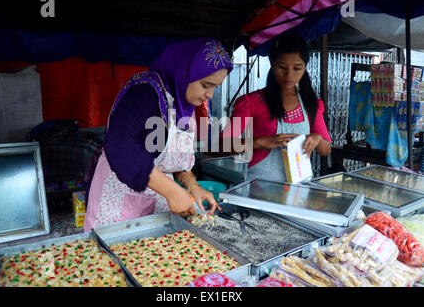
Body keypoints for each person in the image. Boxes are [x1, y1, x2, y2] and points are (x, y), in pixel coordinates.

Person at [84, 38, 233, 232]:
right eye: (206, 85)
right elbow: (119, 144)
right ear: (184, 72)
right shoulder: (144, 92)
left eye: (215, 87)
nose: (210, 95)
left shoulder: (184, 107)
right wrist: (171, 190)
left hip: (156, 207)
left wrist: (192, 186)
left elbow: (172, 159)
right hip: (119, 207)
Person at [221, 34, 331, 182]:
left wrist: (317, 139)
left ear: (305, 68)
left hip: (299, 189)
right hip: (258, 188)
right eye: (281, 67)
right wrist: (257, 142)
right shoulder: (251, 102)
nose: (289, 75)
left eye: (297, 68)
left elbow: (326, 150)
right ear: (272, 64)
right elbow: (221, 146)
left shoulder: (311, 104)